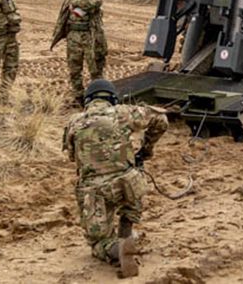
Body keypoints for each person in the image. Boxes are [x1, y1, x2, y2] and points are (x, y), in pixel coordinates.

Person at [63, 78, 168, 277]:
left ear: (88, 100)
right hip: (127, 185)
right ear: (113, 98)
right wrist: (145, 150)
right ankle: (127, 234)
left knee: (98, 242)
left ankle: (115, 249)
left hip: (94, 192)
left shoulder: (74, 122)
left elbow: (73, 157)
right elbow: (161, 120)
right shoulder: (124, 113)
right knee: (131, 188)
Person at [49, 0, 108, 100]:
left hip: (91, 35)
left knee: (95, 68)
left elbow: (91, 4)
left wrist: (74, 3)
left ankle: (98, 96)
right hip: (73, 35)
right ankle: (78, 96)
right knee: (74, 68)